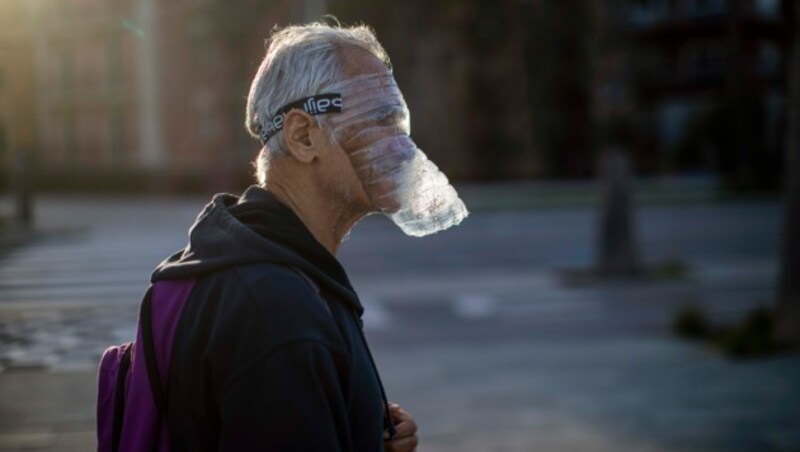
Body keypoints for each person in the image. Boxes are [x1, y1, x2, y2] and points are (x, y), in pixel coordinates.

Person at [153, 22, 468, 451]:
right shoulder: (275, 310)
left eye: (400, 123)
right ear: (303, 136)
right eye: (379, 121)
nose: (402, 149)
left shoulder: (275, 265)